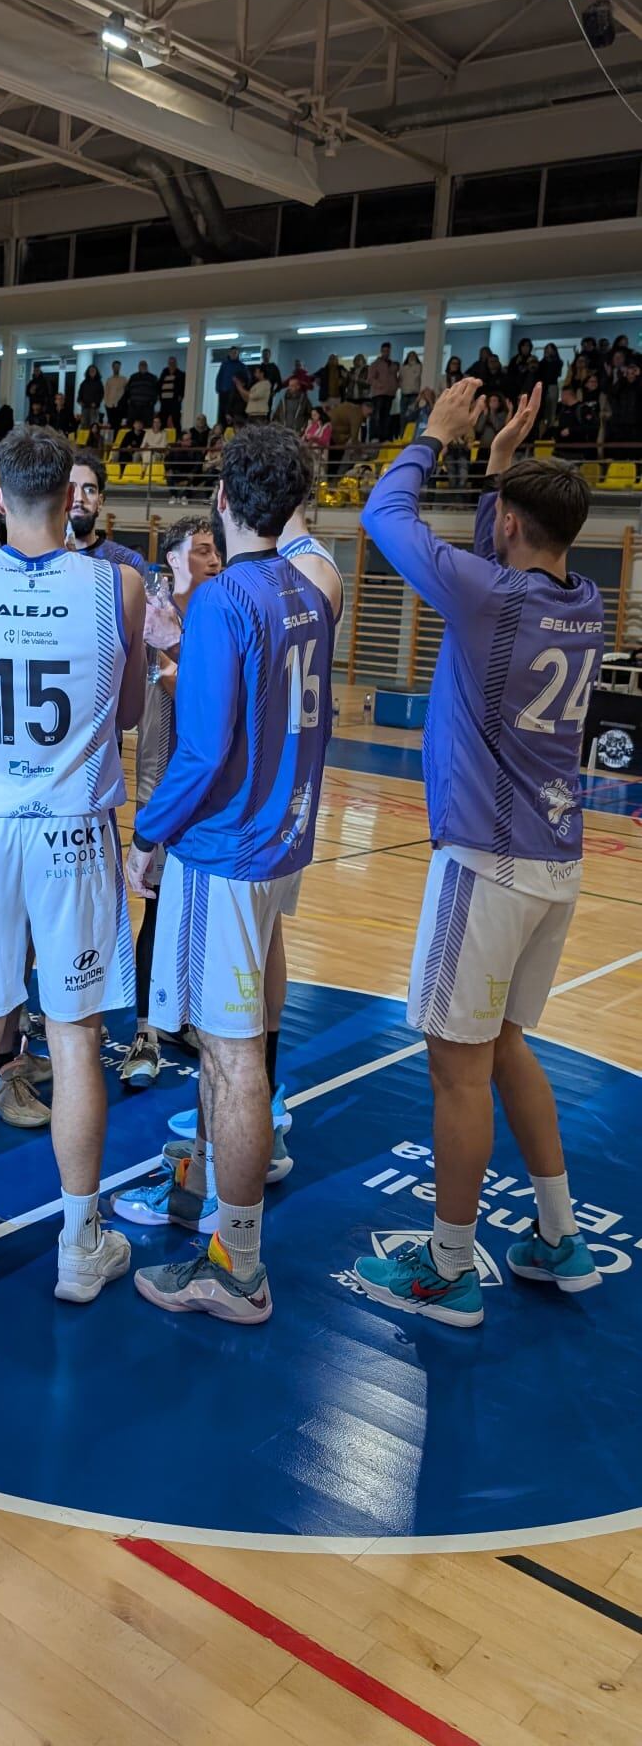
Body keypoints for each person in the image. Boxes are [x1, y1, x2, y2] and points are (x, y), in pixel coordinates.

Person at [354, 381, 604, 1328]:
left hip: (486, 863)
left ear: (503, 527)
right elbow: (513, 552)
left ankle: (449, 1270)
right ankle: (557, 1231)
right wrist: (501, 471)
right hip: (557, 861)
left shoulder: (488, 596)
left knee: (456, 1068)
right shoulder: (582, 599)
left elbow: (384, 512)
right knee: (503, 1046)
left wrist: (435, 436)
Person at [0, 424, 148, 1301]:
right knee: (77, 1036)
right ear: (74, 498)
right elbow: (127, 711)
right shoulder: (120, 586)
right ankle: (80, 1244)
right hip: (73, 834)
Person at [124, 426, 334, 1324]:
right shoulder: (311, 588)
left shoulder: (223, 600)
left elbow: (204, 749)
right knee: (234, 1046)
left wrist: (148, 833)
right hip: (279, 837)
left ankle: (236, 1264)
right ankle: (216, 1215)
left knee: (230, 1053)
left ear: (220, 500)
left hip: (225, 852)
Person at [113, 516, 223, 1095]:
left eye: (215, 550)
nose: (213, 560)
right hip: (167, 795)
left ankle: (181, 1018)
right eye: (201, 551)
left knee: (191, 919)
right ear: (174, 560)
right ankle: (145, 1032)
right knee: (156, 914)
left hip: (208, 801)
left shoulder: (215, 617)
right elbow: (162, 738)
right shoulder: (158, 622)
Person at [67, 452, 145, 570]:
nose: (79, 498)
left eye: (89, 490)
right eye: (72, 489)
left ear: (100, 502)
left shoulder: (129, 562)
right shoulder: (40, 561)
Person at [368, 341, 400, 439]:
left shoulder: (393, 365)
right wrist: (380, 385)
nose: (386, 353)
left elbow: (396, 377)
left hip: (389, 394)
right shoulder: (375, 364)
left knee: (386, 416)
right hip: (378, 393)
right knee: (376, 415)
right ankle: (374, 436)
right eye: (384, 351)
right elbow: (370, 378)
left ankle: (384, 436)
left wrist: (395, 386)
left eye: (388, 351)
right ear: (381, 351)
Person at [215, 347, 248, 424]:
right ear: (229, 354)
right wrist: (218, 388)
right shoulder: (224, 364)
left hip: (235, 393)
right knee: (222, 412)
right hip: (223, 392)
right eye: (232, 352)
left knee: (232, 412)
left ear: (238, 354)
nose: (233, 354)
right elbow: (219, 376)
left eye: (235, 353)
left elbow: (246, 379)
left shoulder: (242, 366)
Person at [123, 358, 158, 425]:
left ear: (147, 366)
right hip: (134, 407)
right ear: (138, 367)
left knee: (147, 427)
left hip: (147, 408)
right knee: (132, 426)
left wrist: (152, 403)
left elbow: (156, 392)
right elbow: (127, 390)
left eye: (144, 365)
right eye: (141, 365)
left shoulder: (152, 377)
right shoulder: (133, 377)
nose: (143, 366)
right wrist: (129, 401)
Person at [303, 404, 332, 483]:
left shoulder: (326, 427)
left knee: (319, 475)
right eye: (312, 415)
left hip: (320, 454)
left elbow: (324, 441)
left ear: (320, 415)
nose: (313, 417)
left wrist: (313, 438)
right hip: (309, 454)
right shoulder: (311, 425)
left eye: (315, 415)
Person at [157, 356, 184, 426]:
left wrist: (181, 396)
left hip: (175, 401)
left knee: (176, 420)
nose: (171, 364)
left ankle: (178, 435)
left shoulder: (180, 374)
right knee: (162, 420)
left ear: (176, 363)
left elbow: (183, 386)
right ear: (168, 363)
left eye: (173, 362)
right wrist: (159, 396)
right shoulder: (164, 373)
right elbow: (159, 385)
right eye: (170, 363)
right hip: (164, 402)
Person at [102, 359, 127, 432]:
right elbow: (106, 392)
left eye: (118, 367)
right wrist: (106, 403)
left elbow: (127, 392)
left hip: (120, 406)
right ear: (112, 368)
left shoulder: (124, 379)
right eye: (115, 366)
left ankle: (117, 442)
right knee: (111, 425)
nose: (117, 368)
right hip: (109, 406)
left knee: (118, 425)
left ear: (120, 368)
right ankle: (112, 442)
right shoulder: (109, 380)